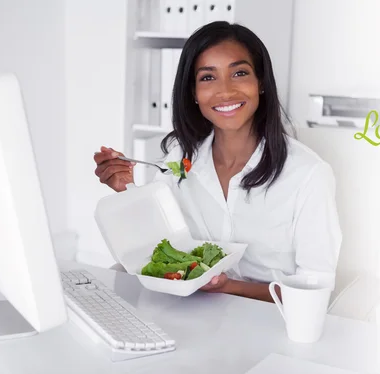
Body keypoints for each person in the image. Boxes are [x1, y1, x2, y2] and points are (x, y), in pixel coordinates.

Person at [94, 21, 341, 303]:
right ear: (193, 93)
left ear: (261, 83)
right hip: (189, 311)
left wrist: (228, 287)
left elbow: (315, 289)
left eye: (239, 73)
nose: (225, 91)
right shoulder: (180, 156)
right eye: (208, 78)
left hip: (270, 321)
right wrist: (126, 189)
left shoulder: (308, 174)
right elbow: (159, 245)